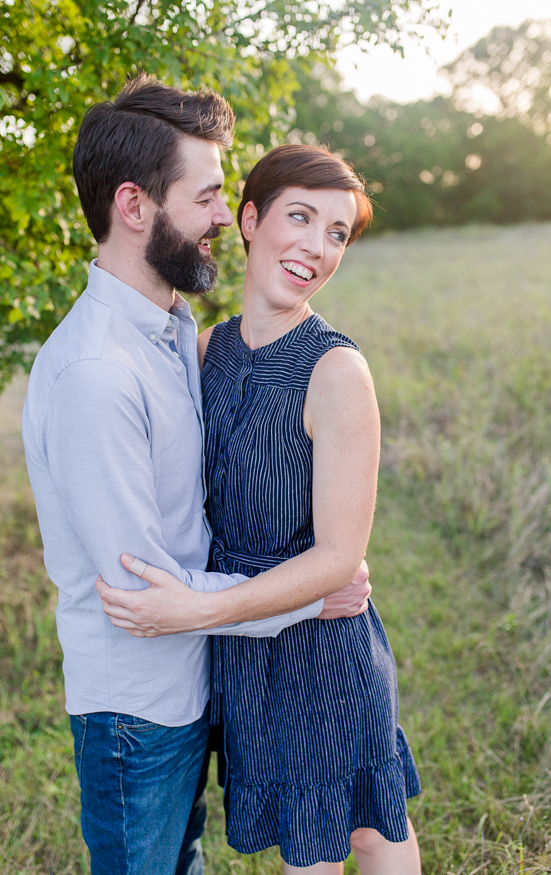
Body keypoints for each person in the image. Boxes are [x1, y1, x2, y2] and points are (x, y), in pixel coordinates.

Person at [21, 76, 370, 875]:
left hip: (197, 682)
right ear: (135, 206)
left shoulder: (178, 329)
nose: (225, 216)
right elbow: (147, 593)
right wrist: (313, 592)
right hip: (135, 714)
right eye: (208, 196)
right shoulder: (96, 374)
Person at [100, 145, 422, 872]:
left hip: (320, 648)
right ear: (250, 219)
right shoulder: (208, 351)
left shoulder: (337, 370)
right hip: (242, 654)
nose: (316, 246)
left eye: (337, 232)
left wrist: (197, 611)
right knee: (328, 826)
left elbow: (339, 557)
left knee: (360, 830)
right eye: (300, 217)